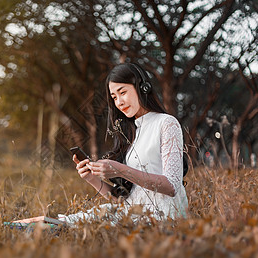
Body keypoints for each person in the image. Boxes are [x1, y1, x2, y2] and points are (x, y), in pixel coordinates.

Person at [58, 63, 188, 225]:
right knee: (65, 222)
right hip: (130, 213)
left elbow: (172, 186)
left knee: (78, 226)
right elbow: (122, 200)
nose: (119, 102)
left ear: (143, 88)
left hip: (162, 216)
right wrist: (91, 177)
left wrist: (120, 170)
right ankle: (19, 227)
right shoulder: (130, 133)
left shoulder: (166, 123)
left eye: (123, 92)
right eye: (114, 97)